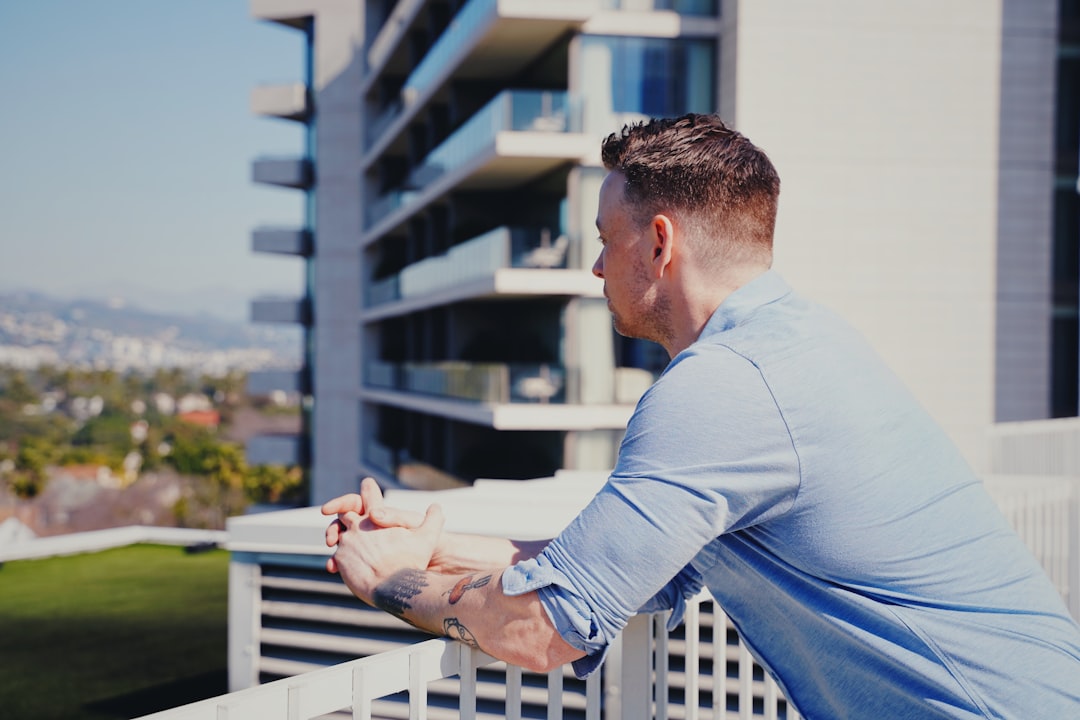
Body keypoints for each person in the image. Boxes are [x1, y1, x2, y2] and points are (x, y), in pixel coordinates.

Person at [324, 114, 1080, 718]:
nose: (594, 268)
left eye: (604, 240)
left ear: (659, 244)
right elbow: (622, 566)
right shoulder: (800, 343)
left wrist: (391, 584)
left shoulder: (726, 387)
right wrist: (435, 544)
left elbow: (539, 627)